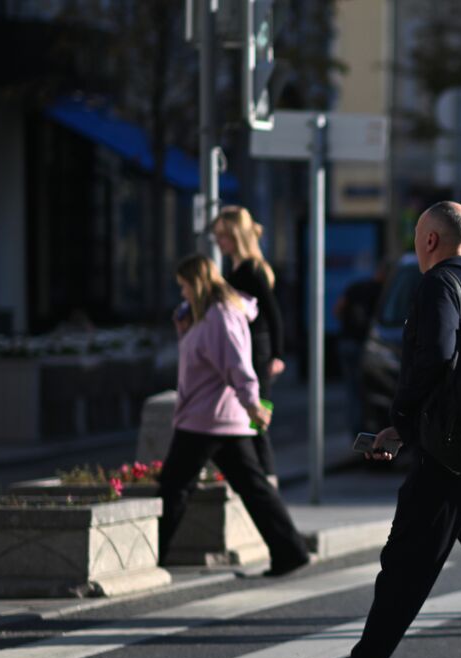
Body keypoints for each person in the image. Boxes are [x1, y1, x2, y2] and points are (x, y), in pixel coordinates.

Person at [288, 202, 461, 658]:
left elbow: (433, 362)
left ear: (430, 241)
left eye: (417, 237)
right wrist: (408, 431)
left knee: (406, 565)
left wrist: (402, 423)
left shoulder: (439, 285)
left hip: (454, 457)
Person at [160, 255, 311, 577]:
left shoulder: (221, 315)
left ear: (197, 283)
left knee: (173, 488)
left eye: (184, 287)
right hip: (217, 417)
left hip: (208, 418)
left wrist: (252, 403)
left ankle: (152, 554)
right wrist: (183, 327)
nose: (183, 294)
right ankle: (290, 550)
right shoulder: (208, 315)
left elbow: (236, 364)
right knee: (253, 487)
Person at [212, 206, 285, 477]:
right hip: (247, 348)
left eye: (223, 235)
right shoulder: (238, 267)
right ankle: (257, 476)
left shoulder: (252, 269)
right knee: (246, 418)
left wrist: (277, 355)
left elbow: (273, 312)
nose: (219, 242)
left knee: (257, 420)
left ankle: (267, 479)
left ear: (236, 236)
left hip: (257, 351)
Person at [334, 262, 387, 434]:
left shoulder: (356, 286)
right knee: (367, 392)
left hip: (347, 340)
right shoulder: (382, 292)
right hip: (366, 345)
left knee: (353, 391)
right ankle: (364, 430)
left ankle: (356, 430)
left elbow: (338, 309)